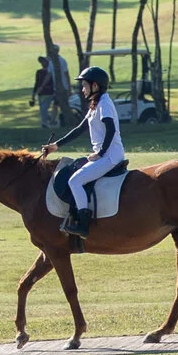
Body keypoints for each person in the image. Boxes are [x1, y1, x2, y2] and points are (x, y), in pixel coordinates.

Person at [42, 63, 124, 243]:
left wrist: (100, 153)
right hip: (105, 154)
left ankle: (83, 225)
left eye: (85, 85)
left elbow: (110, 130)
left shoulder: (105, 104)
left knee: (75, 181)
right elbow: (80, 129)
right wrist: (56, 145)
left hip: (110, 156)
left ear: (95, 85)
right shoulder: (96, 104)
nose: (82, 89)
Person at [32, 55, 58, 133]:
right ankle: (52, 120)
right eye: (41, 62)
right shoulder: (39, 72)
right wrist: (33, 94)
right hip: (40, 93)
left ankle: (44, 123)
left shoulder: (51, 72)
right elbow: (36, 83)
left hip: (49, 93)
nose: (42, 63)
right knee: (42, 110)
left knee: (43, 109)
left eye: (44, 61)